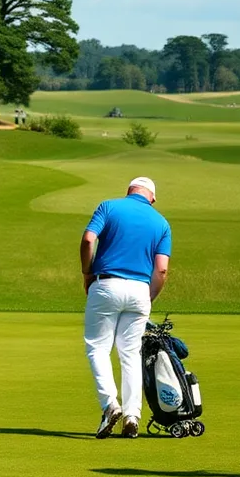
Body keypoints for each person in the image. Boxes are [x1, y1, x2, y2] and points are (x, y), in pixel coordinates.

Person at [80, 176, 171, 438]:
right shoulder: (161, 222)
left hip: (106, 284)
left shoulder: (109, 206)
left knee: (98, 347)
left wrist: (87, 273)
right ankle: (132, 415)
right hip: (140, 290)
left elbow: (88, 240)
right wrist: (148, 297)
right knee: (130, 354)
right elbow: (162, 269)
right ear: (152, 197)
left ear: (129, 191)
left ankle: (110, 405)